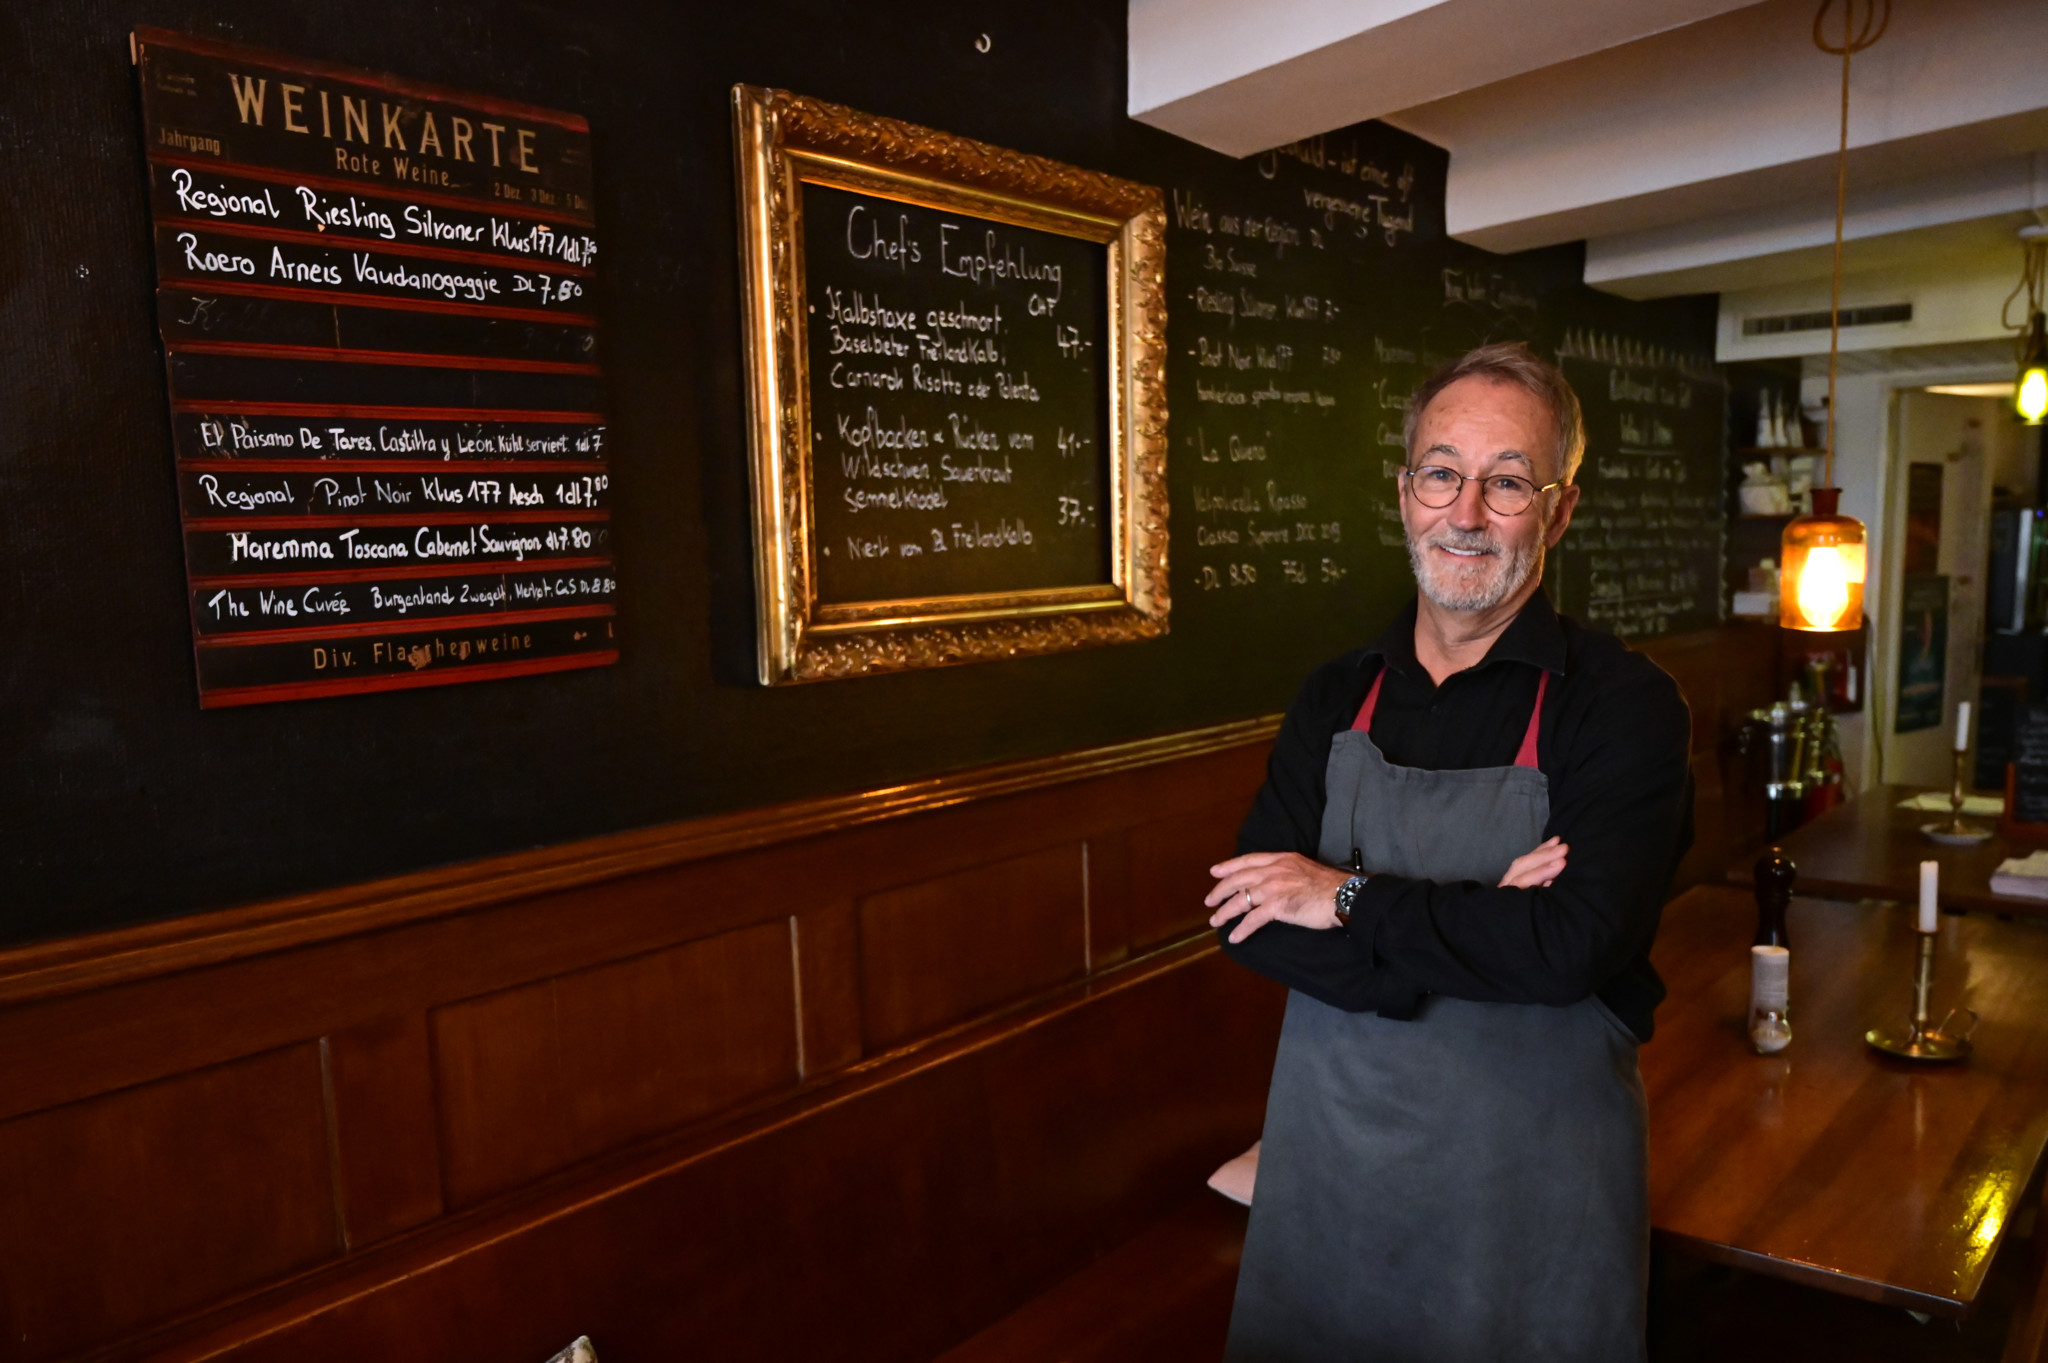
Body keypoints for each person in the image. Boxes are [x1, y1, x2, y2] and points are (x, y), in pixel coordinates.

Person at [1206, 341, 1693, 1362]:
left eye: (1506, 481)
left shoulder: (1619, 706)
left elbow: (1568, 948)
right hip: (1326, 1180)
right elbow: (1244, 918)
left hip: (1528, 1205)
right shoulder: (1331, 695)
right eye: (1441, 472)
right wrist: (1481, 917)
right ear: (1403, 490)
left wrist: (1337, 897)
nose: (1464, 512)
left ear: (1557, 511)